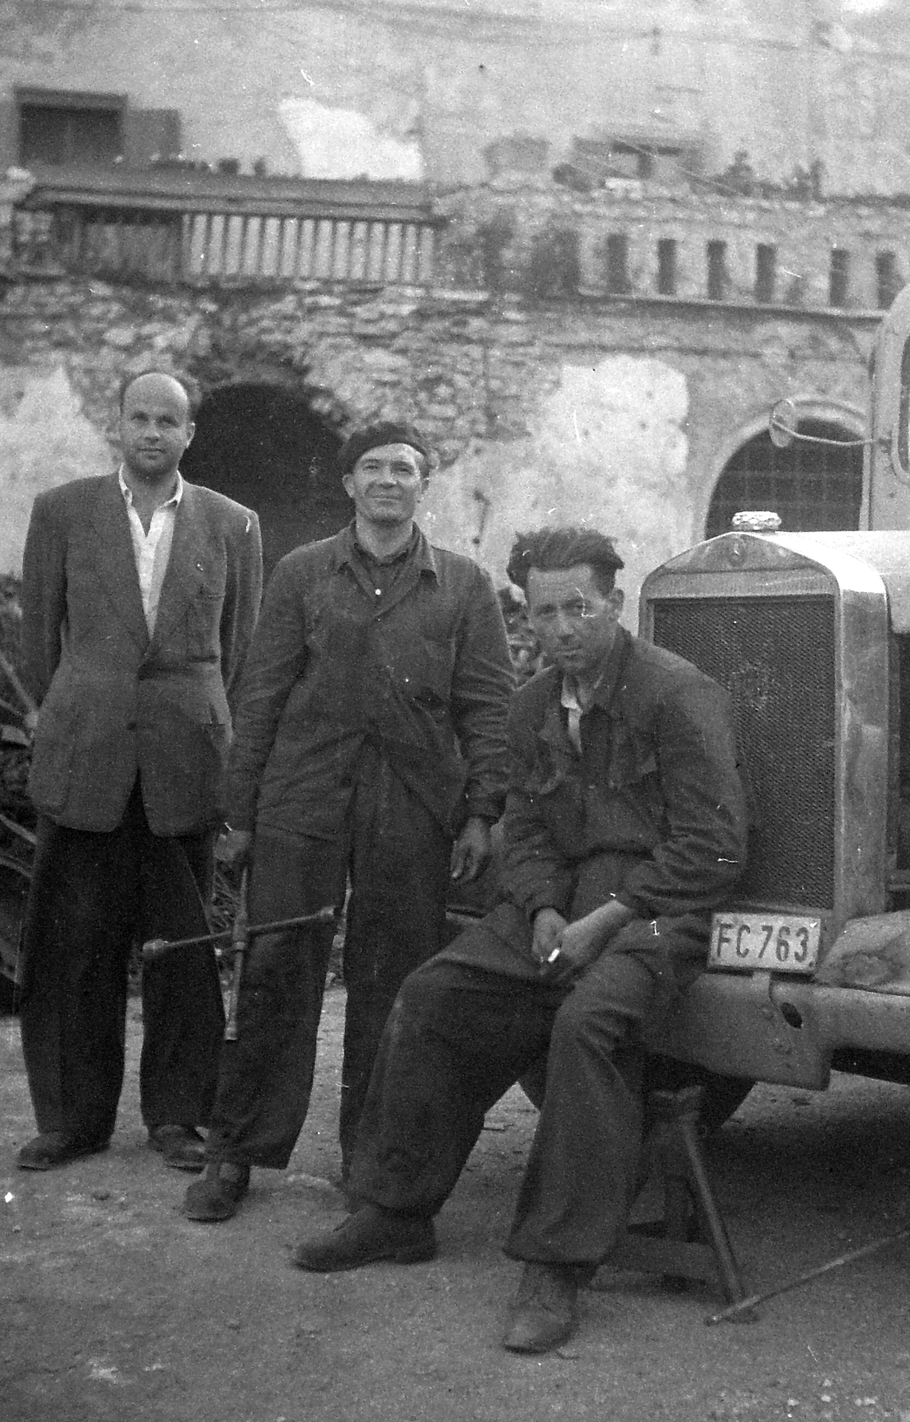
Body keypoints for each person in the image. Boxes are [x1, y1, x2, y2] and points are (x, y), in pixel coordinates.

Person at [290, 526, 750, 1355]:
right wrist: (539, 910)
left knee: (586, 1026)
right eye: (547, 612)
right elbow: (527, 825)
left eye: (581, 607)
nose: (565, 627)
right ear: (526, 617)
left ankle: (558, 1264)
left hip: (659, 912)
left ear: (613, 603)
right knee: (434, 995)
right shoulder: (533, 702)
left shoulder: (677, 695)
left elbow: (713, 849)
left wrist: (605, 922)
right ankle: (396, 1209)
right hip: (559, 906)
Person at [184, 420, 514, 1222]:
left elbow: (489, 710)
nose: (388, 481)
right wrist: (241, 811)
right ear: (349, 484)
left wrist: (482, 812)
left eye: (404, 469)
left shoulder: (463, 585)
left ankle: (374, 1158)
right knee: (276, 968)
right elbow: (258, 694)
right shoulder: (302, 574)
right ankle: (237, 1154)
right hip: (305, 794)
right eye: (373, 468)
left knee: (395, 980)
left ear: (423, 485)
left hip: (413, 803)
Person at [14, 369, 263, 1172]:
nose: (153, 432)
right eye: (140, 418)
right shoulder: (62, 512)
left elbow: (242, 651)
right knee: (71, 948)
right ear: (115, 428)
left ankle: (178, 1117)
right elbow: (36, 638)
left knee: (184, 949)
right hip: (86, 753)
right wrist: (68, 714)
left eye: (170, 421)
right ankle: (72, 1120)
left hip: (184, 761)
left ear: (190, 434)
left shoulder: (234, 525)